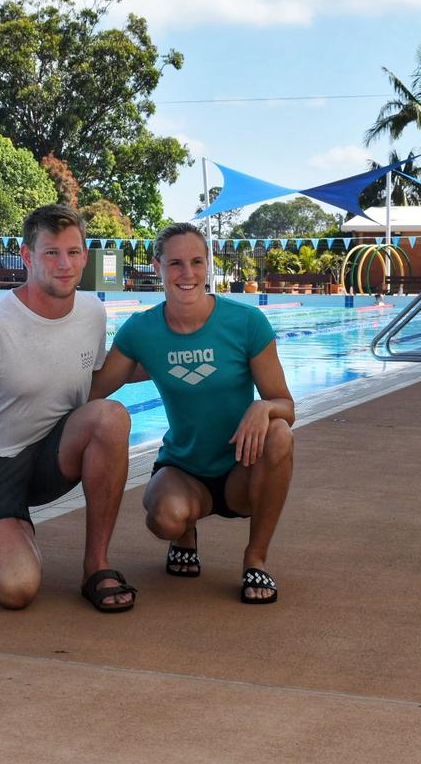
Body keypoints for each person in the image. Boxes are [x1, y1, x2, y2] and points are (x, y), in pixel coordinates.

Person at [0, 204, 137, 613]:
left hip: (48, 457)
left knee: (111, 416)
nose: (64, 264)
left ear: (85, 256)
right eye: (51, 252)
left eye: (73, 252)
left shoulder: (92, 311)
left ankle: (96, 566)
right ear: (27, 256)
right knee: (19, 589)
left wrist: (171, 360)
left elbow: (93, 383)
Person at [91, 222, 294, 604]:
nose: (188, 274)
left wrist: (263, 407)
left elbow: (286, 405)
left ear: (208, 265)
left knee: (280, 433)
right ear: (158, 267)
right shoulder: (141, 331)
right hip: (183, 469)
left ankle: (256, 558)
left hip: (241, 469)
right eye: (176, 264)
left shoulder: (246, 323)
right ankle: (186, 533)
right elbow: (96, 389)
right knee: (165, 518)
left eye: (197, 262)